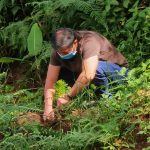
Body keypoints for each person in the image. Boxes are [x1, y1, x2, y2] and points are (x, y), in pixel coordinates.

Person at [43, 28, 128, 121]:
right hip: (88, 76)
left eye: (65, 52)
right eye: (60, 52)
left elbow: (89, 75)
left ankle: (106, 101)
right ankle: (86, 98)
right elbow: (51, 80)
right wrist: (48, 108)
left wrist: (68, 96)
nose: (62, 54)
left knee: (95, 69)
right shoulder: (58, 52)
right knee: (60, 72)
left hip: (117, 73)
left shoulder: (89, 41)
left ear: (75, 42)